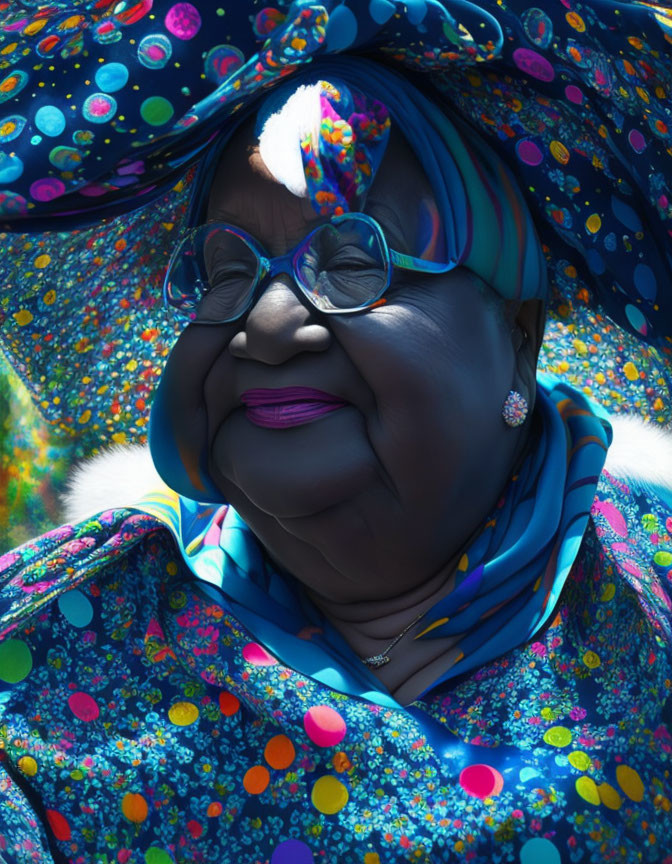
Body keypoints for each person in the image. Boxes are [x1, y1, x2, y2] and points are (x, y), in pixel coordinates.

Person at [0, 2, 671, 863]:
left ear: (517, 341)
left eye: (355, 260)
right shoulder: (47, 646)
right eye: (226, 270)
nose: (269, 322)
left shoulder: (645, 601)